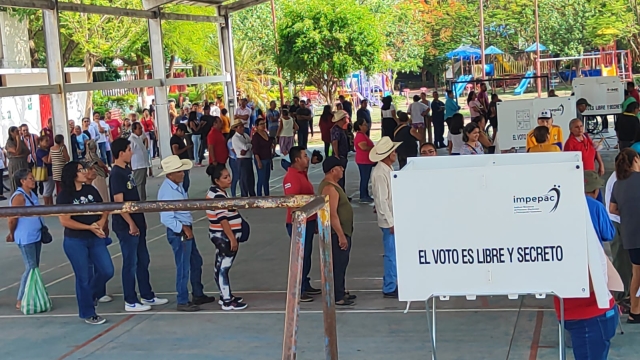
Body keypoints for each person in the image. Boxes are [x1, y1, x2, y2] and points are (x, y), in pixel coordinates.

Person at [554, 170, 618, 358]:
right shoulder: (594, 208)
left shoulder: (560, 213)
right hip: (589, 313)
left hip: (585, 314)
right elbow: (609, 234)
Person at [109, 138, 168, 312]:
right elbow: (119, 202)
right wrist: (131, 224)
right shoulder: (116, 174)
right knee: (130, 261)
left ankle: (147, 294)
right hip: (126, 224)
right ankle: (130, 300)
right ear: (121, 153)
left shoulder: (127, 170)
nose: (131, 152)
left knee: (143, 259)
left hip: (137, 221)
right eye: (129, 150)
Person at [57, 161, 114, 325]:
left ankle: (90, 295)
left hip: (95, 237)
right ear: (72, 174)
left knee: (107, 270)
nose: (84, 172)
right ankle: (88, 312)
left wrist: (101, 222)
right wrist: (88, 227)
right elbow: (65, 221)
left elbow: (104, 208)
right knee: (83, 277)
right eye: (81, 170)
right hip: (75, 240)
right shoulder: (64, 195)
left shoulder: (91, 190)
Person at [158, 156, 216, 312]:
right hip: (180, 231)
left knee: (195, 262)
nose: (183, 173)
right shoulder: (168, 191)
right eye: (179, 171)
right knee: (184, 266)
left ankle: (197, 293)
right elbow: (166, 218)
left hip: (184, 228)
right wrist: (183, 228)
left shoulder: (176, 186)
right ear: (170, 174)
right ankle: (182, 300)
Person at [205, 164, 249, 310]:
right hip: (223, 236)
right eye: (225, 177)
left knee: (220, 265)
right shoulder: (218, 196)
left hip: (220, 235)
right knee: (224, 267)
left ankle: (225, 295)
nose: (229, 179)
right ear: (217, 180)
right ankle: (227, 301)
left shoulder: (217, 192)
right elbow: (223, 219)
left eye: (229, 175)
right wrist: (232, 238)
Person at [282, 147, 322, 302]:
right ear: (297, 159)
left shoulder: (302, 174)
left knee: (306, 256)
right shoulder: (291, 177)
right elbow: (292, 202)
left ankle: (305, 282)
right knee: (300, 256)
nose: (308, 158)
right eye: (305, 156)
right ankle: (299, 289)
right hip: (298, 223)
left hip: (309, 221)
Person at [318, 157, 354, 306]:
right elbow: (332, 214)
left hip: (342, 231)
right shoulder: (330, 189)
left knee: (342, 262)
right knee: (338, 263)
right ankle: (338, 295)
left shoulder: (333, 186)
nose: (343, 170)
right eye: (340, 168)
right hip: (336, 233)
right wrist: (340, 235)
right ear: (333, 170)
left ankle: (341, 289)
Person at [7, 169, 45, 310]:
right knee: (31, 266)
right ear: (22, 181)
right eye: (30, 178)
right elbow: (12, 219)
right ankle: (21, 298)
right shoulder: (19, 197)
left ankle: (32, 293)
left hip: (36, 235)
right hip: (26, 237)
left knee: (34, 266)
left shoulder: (32, 194)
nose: (33, 180)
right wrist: (12, 234)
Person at [610, 148, 640, 322]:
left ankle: (635, 312)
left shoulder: (617, 183)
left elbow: (612, 209)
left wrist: (629, 213)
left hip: (630, 235)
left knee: (636, 273)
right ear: (635, 160)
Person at [370, 137, 401, 298]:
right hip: (390, 220)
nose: (395, 154)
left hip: (392, 217)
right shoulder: (381, 173)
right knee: (391, 253)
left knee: (394, 253)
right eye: (393, 151)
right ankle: (389, 286)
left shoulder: (385, 169)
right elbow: (382, 200)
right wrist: (390, 222)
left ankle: (392, 282)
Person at [605, 156, 633, 313]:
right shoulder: (617, 179)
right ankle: (621, 297)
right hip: (618, 222)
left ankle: (627, 294)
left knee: (629, 261)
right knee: (621, 259)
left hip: (625, 221)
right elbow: (614, 208)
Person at [231, 120, 256, 197]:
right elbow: (245, 147)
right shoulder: (235, 138)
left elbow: (252, 143)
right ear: (236, 128)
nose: (242, 128)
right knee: (244, 179)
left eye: (242, 126)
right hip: (242, 159)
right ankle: (244, 195)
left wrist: (247, 147)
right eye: (240, 127)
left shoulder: (245, 135)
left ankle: (252, 194)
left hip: (248, 158)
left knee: (250, 178)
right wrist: (248, 146)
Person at [126, 122, 150, 201]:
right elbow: (129, 153)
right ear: (134, 130)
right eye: (139, 129)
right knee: (139, 185)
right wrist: (130, 166)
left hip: (143, 164)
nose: (141, 130)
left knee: (143, 184)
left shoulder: (139, 138)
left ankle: (143, 199)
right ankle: (140, 201)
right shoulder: (131, 140)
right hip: (137, 165)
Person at [353, 119, 375, 203]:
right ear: (360, 126)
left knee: (365, 177)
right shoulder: (360, 136)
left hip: (366, 160)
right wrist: (373, 148)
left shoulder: (363, 135)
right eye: (365, 125)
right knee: (364, 178)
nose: (367, 126)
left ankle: (365, 194)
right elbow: (363, 147)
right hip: (363, 160)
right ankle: (363, 196)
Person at [252, 117, 273, 196]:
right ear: (256, 126)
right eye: (261, 124)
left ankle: (267, 194)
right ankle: (259, 195)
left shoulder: (266, 133)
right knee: (261, 178)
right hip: (260, 159)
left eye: (264, 123)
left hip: (267, 157)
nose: (263, 125)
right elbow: (255, 151)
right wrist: (258, 161)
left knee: (266, 179)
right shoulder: (256, 136)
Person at [5, 126, 29, 193]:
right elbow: (16, 152)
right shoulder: (9, 143)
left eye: (18, 131)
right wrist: (18, 140)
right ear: (11, 133)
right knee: (15, 183)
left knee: (24, 182)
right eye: (16, 132)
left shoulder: (21, 141)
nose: (18, 133)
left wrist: (21, 155)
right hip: (15, 165)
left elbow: (28, 151)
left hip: (23, 163)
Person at [331, 110, 350, 191]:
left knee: (342, 176)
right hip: (340, 155)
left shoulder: (341, 129)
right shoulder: (336, 129)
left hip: (343, 154)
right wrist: (337, 154)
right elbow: (335, 142)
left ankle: (342, 193)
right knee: (339, 177)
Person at [170, 124, 193, 193]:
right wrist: (186, 148)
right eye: (183, 132)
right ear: (179, 130)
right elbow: (176, 152)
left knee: (186, 182)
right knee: (184, 183)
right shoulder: (174, 139)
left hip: (183, 162)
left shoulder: (179, 138)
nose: (184, 134)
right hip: (180, 163)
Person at [35, 136, 54, 205]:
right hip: (45, 172)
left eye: (48, 141)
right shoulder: (40, 151)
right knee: (47, 189)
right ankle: (46, 205)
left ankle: (51, 204)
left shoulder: (46, 150)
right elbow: (47, 161)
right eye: (46, 141)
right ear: (40, 142)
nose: (48, 142)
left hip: (49, 171)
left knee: (50, 189)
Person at [227, 129, 239, 197]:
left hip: (236, 159)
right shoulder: (231, 141)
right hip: (233, 159)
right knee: (235, 176)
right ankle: (233, 194)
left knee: (239, 176)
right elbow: (234, 150)